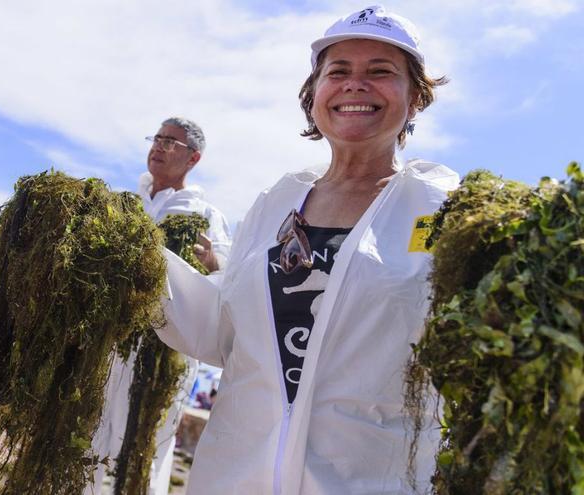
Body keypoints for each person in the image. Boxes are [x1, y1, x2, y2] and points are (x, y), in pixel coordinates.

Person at [157, 6, 458, 493]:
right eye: (338, 72)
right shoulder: (276, 201)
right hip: (235, 473)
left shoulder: (441, 207)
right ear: (314, 93)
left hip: (369, 478)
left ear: (416, 96)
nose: (355, 84)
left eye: (380, 72)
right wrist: (142, 267)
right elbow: (225, 332)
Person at [89, 117, 232, 495]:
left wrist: (214, 264)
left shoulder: (202, 215)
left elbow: (228, 279)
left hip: (166, 350)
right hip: (109, 342)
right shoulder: (125, 203)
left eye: (172, 142)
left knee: (146, 443)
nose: (159, 146)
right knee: (88, 433)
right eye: (158, 138)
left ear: (193, 158)